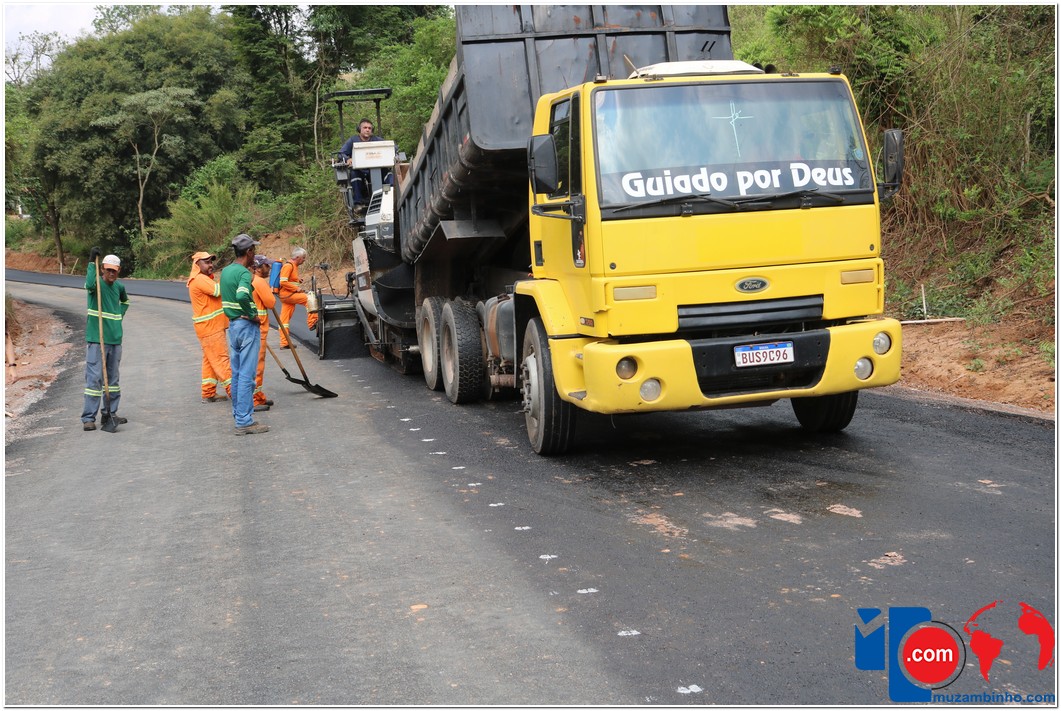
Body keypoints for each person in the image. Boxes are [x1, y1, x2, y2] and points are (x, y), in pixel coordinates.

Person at [220, 234, 269, 435]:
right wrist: (252, 314)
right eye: (253, 250)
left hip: (233, 326)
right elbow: (241, 294)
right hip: (246, 326)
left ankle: (239, 415)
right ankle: (244, 421)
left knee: (237, 374)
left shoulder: (225, 271)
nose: (254, 254)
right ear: (248, 252)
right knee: (247, 376)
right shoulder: (243, 273)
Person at [82, 248, 129, 431]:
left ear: (118, 271)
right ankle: (88, 418)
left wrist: (119, 315)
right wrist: (90, 262)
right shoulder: (96, 285)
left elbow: (125, 302)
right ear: (102, 269)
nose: (111, 273)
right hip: (97, 339)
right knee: (94, 379)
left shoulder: (119, 287)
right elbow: (88, 284)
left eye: (114, 270)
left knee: (113, 380)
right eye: (108, 270)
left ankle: (109, 413)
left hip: (115, 340)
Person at [187, 251, 232, 404]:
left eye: (211, 262)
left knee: (210, 360)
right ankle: (236, 393)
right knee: (221, 360)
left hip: (209, 327)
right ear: (197, 265)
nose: (210, 265)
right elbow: (218, 291)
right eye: (206, 262)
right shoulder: (200, 279)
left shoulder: (203, 279)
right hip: (211, 328)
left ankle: (208, 392)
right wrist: (231, 276)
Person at [338, 118, 393, 207]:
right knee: (354, 174)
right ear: (359, 129)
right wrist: (347, 159)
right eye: (365, 128)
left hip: (376, 169)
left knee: (388, 173)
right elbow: (341, 153)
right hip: (360, 171)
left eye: (369, 128)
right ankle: (358, 203)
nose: (367, 130)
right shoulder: (353, 140)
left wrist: (395, 154)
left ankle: (391, 197)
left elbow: (391, 147)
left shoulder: (377, 140)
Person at [277, 247, 318, 349]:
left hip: (287, 296)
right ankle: (312, 322)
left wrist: (298, 280)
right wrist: (296, 288)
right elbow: (283, 282)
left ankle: (284, 342)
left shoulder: (293, 266)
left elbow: (289, 280)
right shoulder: (288, 266)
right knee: (309, 298)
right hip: (288, 295)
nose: (304, 260)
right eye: (303, 258)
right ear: (297, 257)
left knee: (284, 320)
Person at [250, 254, 276, 412]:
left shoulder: (250, 280)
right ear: (258, 268)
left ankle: (258, 396)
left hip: (254, 327)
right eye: (267, 265)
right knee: (257, 366)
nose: (269, 268)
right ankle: (254, 399)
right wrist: (269, 292)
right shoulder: (259, 282)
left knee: (254, 363)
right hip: (258, 328)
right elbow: (271, 303)